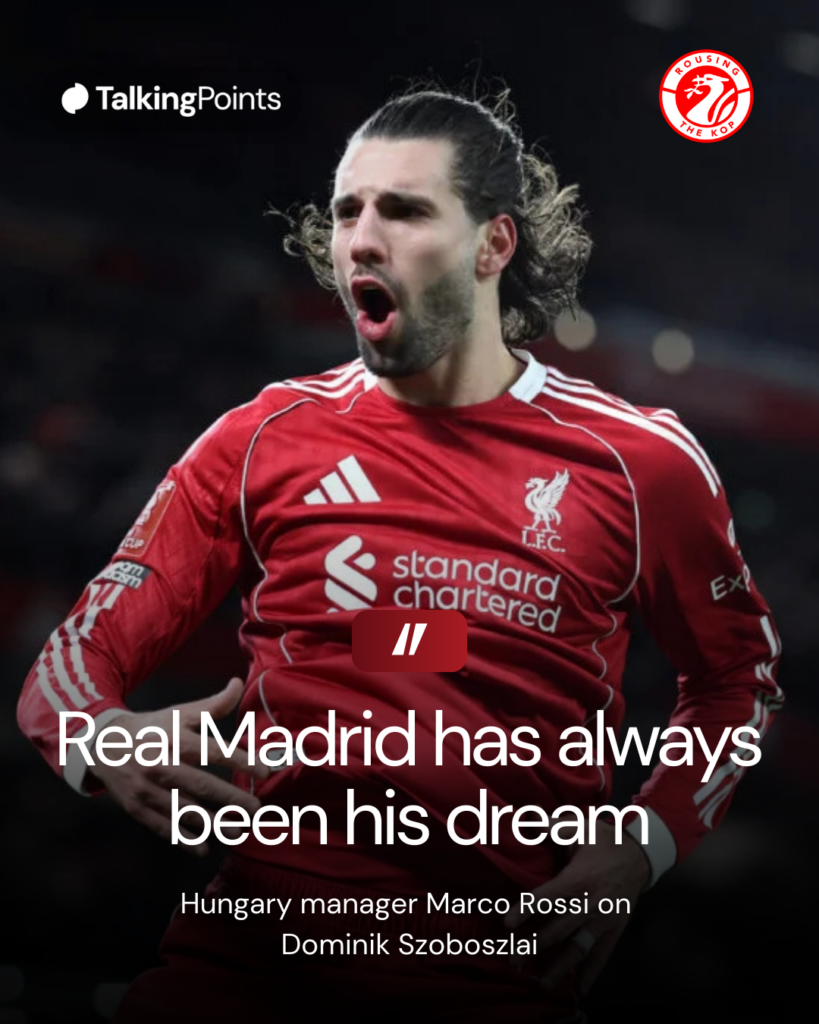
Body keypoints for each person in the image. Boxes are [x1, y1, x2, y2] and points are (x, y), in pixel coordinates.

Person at [17, 86, 782, 1023]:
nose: (360, 242)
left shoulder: (640, 463)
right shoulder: (260, 439)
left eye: (405, 209)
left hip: (497, 986)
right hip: (248, 974)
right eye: (347, 212)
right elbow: (68, 665)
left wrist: (645, 843)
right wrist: (98, 741)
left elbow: (739, 678)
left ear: (494, 245)